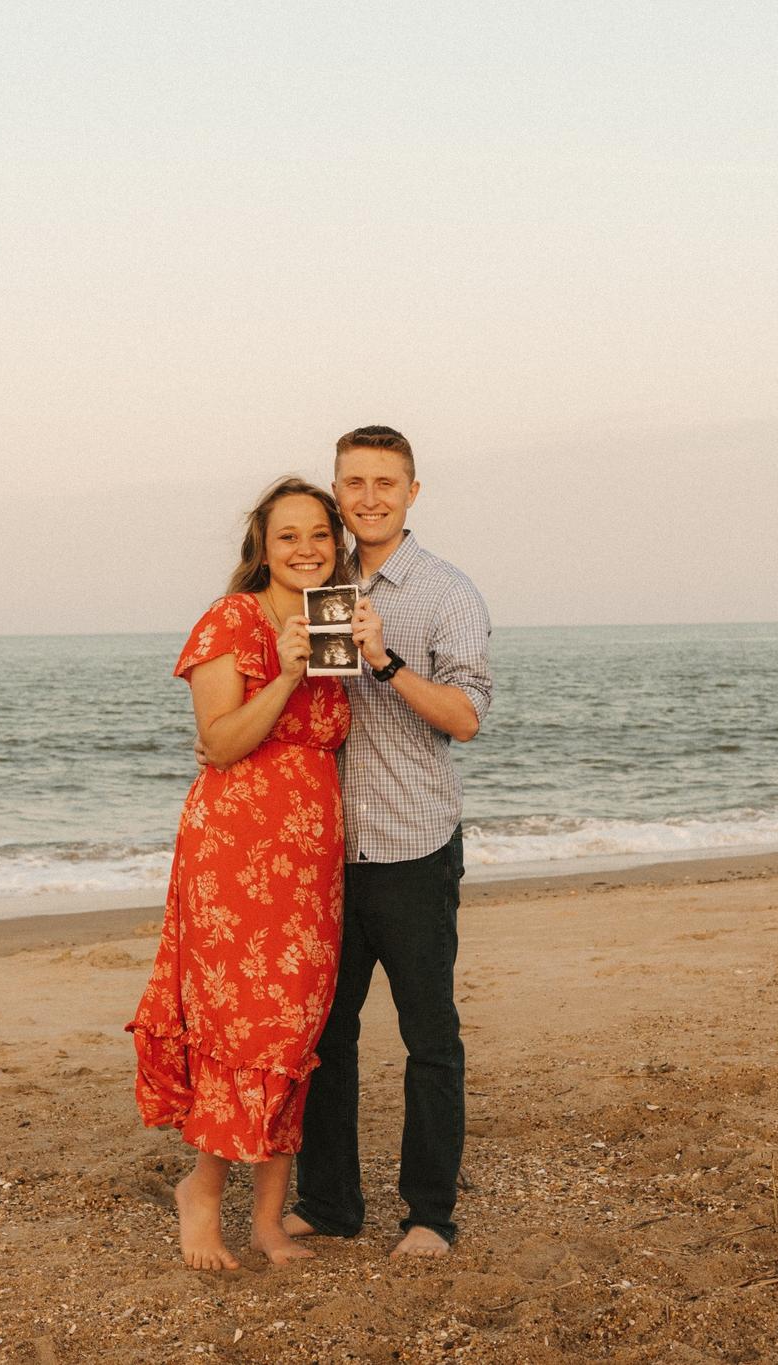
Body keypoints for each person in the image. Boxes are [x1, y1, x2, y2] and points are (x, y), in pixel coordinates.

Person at [126, 476, 353, 1272]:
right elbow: (220, 743)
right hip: (236, 853)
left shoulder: (336, 618)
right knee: (240, 1026)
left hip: (310, 860)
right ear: (262, 544)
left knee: (295, 1028)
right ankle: (201, 1192)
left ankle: (267, 1220)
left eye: (320, 534)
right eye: (289, 535)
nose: (306, 549)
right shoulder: (233, 619)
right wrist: (288, 675)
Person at [285, 425, 493, 1257]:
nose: (367, 497)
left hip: (413, 846)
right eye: (353, 483)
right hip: (326, 854)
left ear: (413, 491)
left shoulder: (446, 592)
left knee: (428, 1038)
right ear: (337, 491)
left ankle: (429, 1214)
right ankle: (332, 1203)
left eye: (384, 482)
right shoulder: (312, 579)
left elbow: (467, 719)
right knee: (325, 1040)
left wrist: (385, 659)